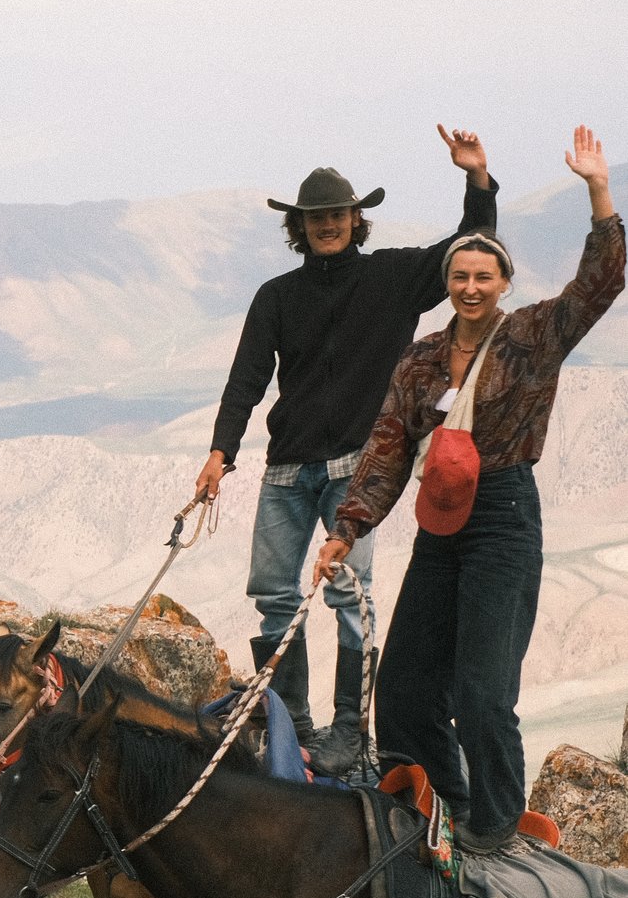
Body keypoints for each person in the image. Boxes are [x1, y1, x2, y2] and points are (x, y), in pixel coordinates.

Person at [316, 126, 621, 854]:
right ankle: (433, 806)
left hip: (504, 519)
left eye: (484, 276)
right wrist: (346, 529)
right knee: (404, 686)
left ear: (504, 282)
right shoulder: (421, 359)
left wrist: (598, 190)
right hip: (439, 526)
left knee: (484, 694)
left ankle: (497, 829)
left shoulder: (532, 337)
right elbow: (388, 447)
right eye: (460, 276)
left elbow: (601, 283)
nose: (471, 287)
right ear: (448, 283)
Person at [200, 126, 498, 774]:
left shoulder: (392, 277)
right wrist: (221, 452)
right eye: (316, 217)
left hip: (357, 467)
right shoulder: (276, 297)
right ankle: (292, 722)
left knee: (349, 595)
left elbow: (469, 249)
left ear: (355, 219)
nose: (328, 225)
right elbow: (246, 379)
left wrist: (476, 178)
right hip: (287, 466)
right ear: (300, 227)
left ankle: (348, 732)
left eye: (337, 214)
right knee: (273, 593)